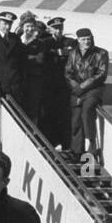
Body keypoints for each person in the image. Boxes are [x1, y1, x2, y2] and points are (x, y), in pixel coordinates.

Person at [66, 27, 108, 162]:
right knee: (76, 119)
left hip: (93, 90)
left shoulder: (101, 53)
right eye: (83, 39)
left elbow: (101, 74)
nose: (86, 42)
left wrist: (82, 87)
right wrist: (76, 88)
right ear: (78, 40)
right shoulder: (73, 53)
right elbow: (68, 73)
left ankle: (91, 143)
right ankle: (77, 151)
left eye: (88, 39)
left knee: (87, 110)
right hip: (76, 90)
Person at [41, 16, 77, 150]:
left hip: (64, 87)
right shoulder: (45, 42)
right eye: (55, 28)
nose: (58, 30)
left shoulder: (71, 42)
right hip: (49, 87)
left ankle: (66, 146)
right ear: (50, 29)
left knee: (65, 117)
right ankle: (49, 144)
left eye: (60, 28)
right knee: (48, 116)